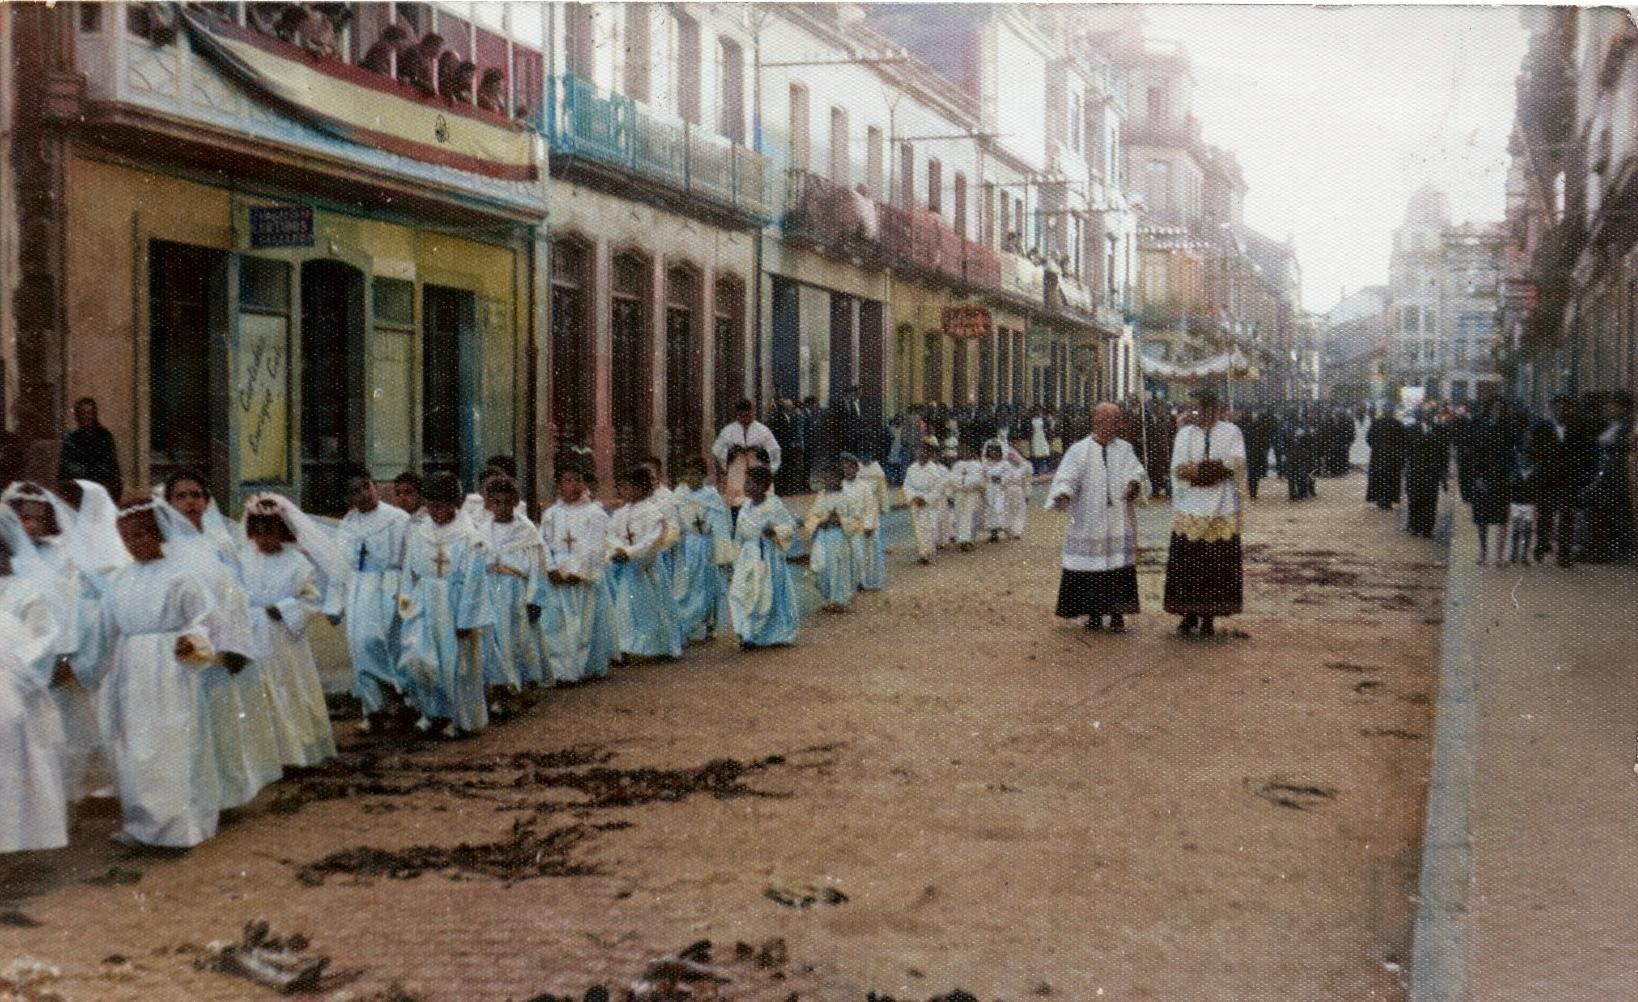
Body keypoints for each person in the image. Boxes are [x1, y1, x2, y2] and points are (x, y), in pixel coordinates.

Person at [99, 500, 249, 847]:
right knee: (135, 747)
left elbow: (204, 619)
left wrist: (192, 640)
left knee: (170, 743)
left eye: (141, 534)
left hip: (168, 668)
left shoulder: (180, 576)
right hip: (129, 668)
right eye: (127, 536)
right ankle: (142, 824)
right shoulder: (119, 580)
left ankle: (179, 826)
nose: (134, 542)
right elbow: (105, 630)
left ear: (159, 533)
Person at [162, 472, 278, 810]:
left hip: (226, 644)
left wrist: (238, 642)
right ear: (168, 503)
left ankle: (228, 795)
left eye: (197, 495)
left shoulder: (221, 544)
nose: (190, 503)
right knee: (192, 728)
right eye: (181, 496)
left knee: (225, 722)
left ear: (207, 501)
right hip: (190, 648)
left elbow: (237, 595)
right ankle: (193, 799)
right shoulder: (168, 550)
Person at [238, 495, 338, 769]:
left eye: (270, 531)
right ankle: (261, 754)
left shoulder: (297, 563)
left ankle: (292, 750)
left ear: (281, 531)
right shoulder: (242, 559)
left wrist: (284, 607)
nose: (264, 537)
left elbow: (311, 598)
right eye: (258, 531)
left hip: (283, 635)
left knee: (287, 686)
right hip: (252, 631)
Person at [398, 471, 494, 738]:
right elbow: (410, 572)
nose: (436, 512)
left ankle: (454, 717)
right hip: (425, 605)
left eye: (442, 505)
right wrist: (408, 605)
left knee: (453, 664)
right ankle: (430, 711)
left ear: (456, 503)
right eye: (431, 506)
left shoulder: (469, 538)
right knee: (420, 659)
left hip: (454, 608)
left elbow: (475, 583)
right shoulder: (421, 533)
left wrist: (467, 620)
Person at [0, 519, 71, 853]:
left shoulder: (26, 592)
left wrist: (17, 674)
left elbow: (44, 639)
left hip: (12, 689)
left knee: (14, 768)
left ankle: (14, 839)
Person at [1048, 402, 1150, 633]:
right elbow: (1067, 477)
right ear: (1095, 421)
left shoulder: (1124, 449)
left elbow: (1137, 472)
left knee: (1117, 566)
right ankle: (1093, 615)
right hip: (1089, 518)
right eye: (1104, 420)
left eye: (1114, 421)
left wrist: (1135, 484)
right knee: (1090, 567)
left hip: (1117, 519)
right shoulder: (1079, 450)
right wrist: (1063, 493)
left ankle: (1116, 614)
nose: (1110, 425)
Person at [327, 467, 411, 734]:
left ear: (375, 485)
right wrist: (334, 604)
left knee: (385, 644)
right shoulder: (348, 526)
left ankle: (404, 698)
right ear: (347, 498)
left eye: (366, 486)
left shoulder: (397, 519)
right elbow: (339, 567)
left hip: (390, 588)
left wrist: (407, 593)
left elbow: (409, 559)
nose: (363, 494)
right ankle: (373, 709)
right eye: (355, 491)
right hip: (358, 590)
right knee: (359, 647)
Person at [1163, 388, 1246, 636]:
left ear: (1214, 409)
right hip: (1191, 507)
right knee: (1189, 564)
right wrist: (1209, 471)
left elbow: (1235, 463)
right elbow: (1178, 469)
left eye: (1198, 408)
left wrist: (1201, 471)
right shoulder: (1185, 434)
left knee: (1214, 565)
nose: (1193, 414)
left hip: (1222, 507)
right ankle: (1188, 614)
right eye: (1191, 408)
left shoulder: (1231, 432)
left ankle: (1209, 615)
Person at [538, 464, 615, 684]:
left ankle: (581, 667)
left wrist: (579, 572)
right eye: (567, 480)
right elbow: (543, 544)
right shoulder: (551, 514)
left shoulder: (594, 513)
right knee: (556, 625)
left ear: (583, 483)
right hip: (557, 577)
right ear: (559, 485)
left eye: (576, 480)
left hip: (581, 578)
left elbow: (596, 546)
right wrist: (551, 569)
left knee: (582, 625)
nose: (572, 485)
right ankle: (560, 669)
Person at [478, 475, 547, 712]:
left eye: (508, 502)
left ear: (516, 502)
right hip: (490, 590)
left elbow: (537, 568)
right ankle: (499, 689)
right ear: (488, 504)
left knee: (517, 640)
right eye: (496, 502)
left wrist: (534, 599)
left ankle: (522, 685)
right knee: (494, 641)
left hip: (514, 592)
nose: (502, 508)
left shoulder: (526, 530)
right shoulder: (483, 529)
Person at [604, 466, 684, 661]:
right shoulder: (620, 513)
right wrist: (619, 549)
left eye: (627, 487)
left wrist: (630, 553)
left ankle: (661, 646)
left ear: (640, 489)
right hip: (627, 569)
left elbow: (652, 541)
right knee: (625, 608)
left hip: (647, 569)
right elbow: (611, 534)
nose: (622, 491)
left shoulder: (653, 514)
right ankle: (625, 647)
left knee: (653, 608)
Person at [728, 466, 800, 650]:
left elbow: (790, 526)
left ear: (762, 486)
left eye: (750, 483)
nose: (746, 486)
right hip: (747, 556)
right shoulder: (745, 506)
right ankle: (747, 633)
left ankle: (770, 633)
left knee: (765, 594)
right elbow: (740, 533)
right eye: (746, 482)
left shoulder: (773, 504)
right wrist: (735, 555)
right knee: (743, 593)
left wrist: (775, 530)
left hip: (767, 556)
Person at [673, 458, 732, 642]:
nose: (690, 478)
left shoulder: (711, 496)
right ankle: (688, 623)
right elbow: (675, 521)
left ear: (703, 475)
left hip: (706, 545)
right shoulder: (679, 494)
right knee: (687, 585)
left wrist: (722, 552)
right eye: (687, 474)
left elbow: (720, 525)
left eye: (695, 474)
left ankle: (710, 624)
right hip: (686, 546)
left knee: (709, 584)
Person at [804, 463, 858, 613]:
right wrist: (820, 521)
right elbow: (812, 515)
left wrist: (840, 520)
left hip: (839, 537)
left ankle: (839, 600)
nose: (828, 481)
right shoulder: (821, 496)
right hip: (823, 537)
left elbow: (855, 519)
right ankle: (829, 597)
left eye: (832, 478)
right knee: (822, 568)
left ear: (840, 479)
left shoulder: (847, 498)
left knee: (839, 569)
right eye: (825, 478)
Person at [712, 399, 782, 511]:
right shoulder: (728, 430)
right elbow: (717, 449)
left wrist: (760, 452)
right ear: (737, 414)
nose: (745, 419)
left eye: (748, 415)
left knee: (760, 499)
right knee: (737, 500)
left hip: (757, 466)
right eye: (742, 416)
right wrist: (731, 452)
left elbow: (774, 450)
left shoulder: (763, 430)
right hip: (737, 468)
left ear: (752, 412)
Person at [58, 397, 123, 503]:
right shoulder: (71, 438)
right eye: (82, 413)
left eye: (89, 413)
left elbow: (108, 466)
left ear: (94, 415)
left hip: (103, 482)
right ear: (77, 416)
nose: (86, 417)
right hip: (78, 483)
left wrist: (88, 472)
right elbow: (65, 466)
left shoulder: (104, 436)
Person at [840, 454, 885, 592]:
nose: (847, 470)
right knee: (853, 556)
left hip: (864, 526)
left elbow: (871, 507)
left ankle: (868, 581)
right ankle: (856, 581)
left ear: (856, 468)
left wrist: (868, 525)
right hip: (849, 526)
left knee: (867, 554)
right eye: (844, 467)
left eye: (850, 467)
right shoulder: (841, 487)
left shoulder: (865, 487)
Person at [1403, 408, 1448, 539]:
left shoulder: (1439, 431)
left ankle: (1420, 527)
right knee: (1419, 500)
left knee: (1423, 500)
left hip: (1425, 472)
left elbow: (1443, 454)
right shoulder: (1411, 430)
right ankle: (1418, 527)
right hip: (1421, 471)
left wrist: (1443, 475)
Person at [901, 443, 949, 565]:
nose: (921, 454)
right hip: (916, 502)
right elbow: (907, 485)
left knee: (929, 528)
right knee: (919, 529)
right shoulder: (911, 468)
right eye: (919, 452)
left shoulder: (934, 470)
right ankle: (922, 553)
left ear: (929, 454)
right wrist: (914, 497)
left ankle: (928, 552)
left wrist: (926, 499)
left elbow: (938, 487)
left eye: (924, 452)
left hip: (929, 504)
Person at [1365, 409, 1408, 509]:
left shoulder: (1376, 423)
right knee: (1392, 478)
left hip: (1378, 456)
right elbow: (1404, 440)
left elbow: (1369, 438)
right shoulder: (1398, 424)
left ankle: (1379, 499)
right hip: (1393, 457)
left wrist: (1376, 447)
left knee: (1378, 477)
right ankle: (1389, 500)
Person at [949, 443, 987, 551]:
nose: (963, 453)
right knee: (960, 516)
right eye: (961, 450)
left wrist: (967, 484)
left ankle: (968, 540)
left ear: (971, 452)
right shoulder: (957, 465)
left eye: (966, 450)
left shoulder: (978, 465)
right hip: (959, 494)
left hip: (972, 494)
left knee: (970, 516)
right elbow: (951, 479)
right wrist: (961, 484)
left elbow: (979, 481)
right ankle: (961, 539)